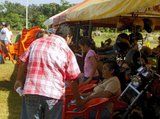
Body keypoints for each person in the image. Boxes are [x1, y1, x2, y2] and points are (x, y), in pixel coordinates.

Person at [14, 24, 82, 119]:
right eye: (71, 39)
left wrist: (19, 80)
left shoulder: (36, 43)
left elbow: (22, 61)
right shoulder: (67, 51)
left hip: (31, 91)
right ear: (68, 37)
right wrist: (78, 100)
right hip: (53, 96)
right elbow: (74, 78)